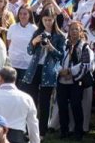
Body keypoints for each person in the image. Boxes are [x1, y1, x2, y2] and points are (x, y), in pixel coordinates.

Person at [22, 7, 65, 136]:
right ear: (41, 20)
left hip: (49, 71)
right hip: (34, 69)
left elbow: (60, 56)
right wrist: (34, 42)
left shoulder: (59, 35)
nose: (47, 22)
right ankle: (29, 130)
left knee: (45, 103)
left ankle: (41, 132)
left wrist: (50, 47)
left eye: (50, 20)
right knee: (32, 101)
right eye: (45, 20)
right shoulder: (37, 33)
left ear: (54, 19)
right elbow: (29, 51)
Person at [56, 21, 93, 141]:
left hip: (76, 82)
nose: (74, 32)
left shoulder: (84, 47)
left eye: (77, 29)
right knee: (62, 105)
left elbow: (86, 65)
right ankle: (64, 130)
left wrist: (71, 72)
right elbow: (57, 59)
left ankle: (78, 131)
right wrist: (61, 71)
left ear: (81, 32)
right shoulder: (64, 45)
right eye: (72, 29)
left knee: (76, 105)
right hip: (61, 81)